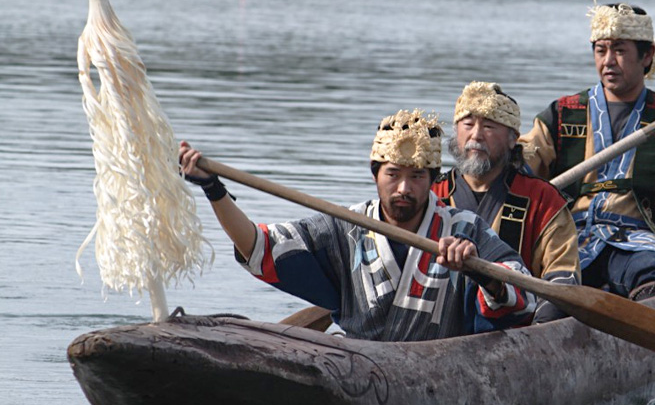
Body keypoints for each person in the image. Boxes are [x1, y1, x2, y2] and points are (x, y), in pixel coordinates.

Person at [179, 109, 536, 341]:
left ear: (433, 179)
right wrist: (214, 189)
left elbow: (522, 296)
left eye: (416, 177)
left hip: (438, 373)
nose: (403, 189)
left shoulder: (464, 229)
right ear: (375, 175)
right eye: (392, 175)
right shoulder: (345, 226)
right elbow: (258, 247)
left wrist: (480, 271)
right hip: (357, 371)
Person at [519, 2, 655, 300]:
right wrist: (493, 145)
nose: (608, 61)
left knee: (651, 273)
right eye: (600, 50)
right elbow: (521, 162)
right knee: (547, 277)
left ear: (647, 56)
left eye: (619, 50)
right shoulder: (563, 114)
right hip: (570, 241)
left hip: (640, 246)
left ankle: (645, 327)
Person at [432, 81, 580, 323]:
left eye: (489, 126)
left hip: (515, 332)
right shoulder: (432, 193)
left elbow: (561, 278)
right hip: (437, 326)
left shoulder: (543, 201)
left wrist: (540, 333)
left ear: (513, 139)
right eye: (467, 124)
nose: (476, 135)